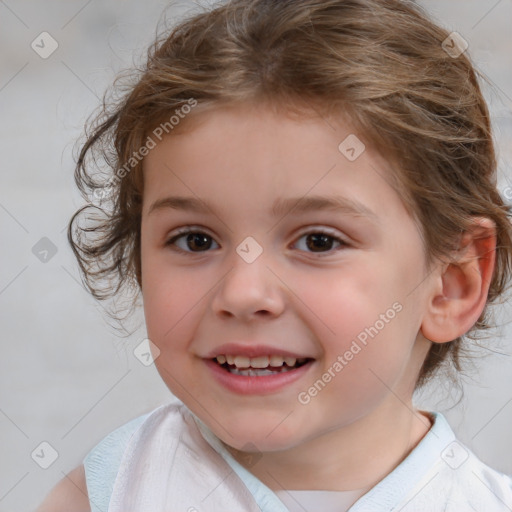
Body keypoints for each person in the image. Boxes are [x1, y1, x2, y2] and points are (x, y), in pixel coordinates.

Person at [37, 0, 512, 510]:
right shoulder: (106, 494)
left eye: (318, 241)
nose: (242, 294)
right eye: (195, 240)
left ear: (452, 284)